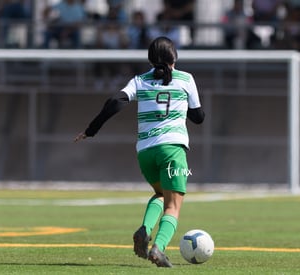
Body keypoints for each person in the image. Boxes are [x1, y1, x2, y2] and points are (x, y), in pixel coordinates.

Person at [74, 36, 205, 268]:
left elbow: (115, 102)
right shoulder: (186, 79)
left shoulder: (139, 80)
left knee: (160, 194)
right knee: (173, 206)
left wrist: (91, 130)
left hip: (145, 151)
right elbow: (198, 117)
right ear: (174, 57)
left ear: (150, 59)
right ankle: (158, 248)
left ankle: (145, 229)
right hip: (173, 149)